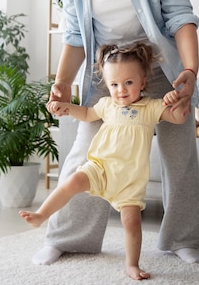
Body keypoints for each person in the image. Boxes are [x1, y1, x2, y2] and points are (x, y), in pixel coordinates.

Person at [28, 0, 199, 267]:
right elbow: (76, 34)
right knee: (84, 152)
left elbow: (181, 17)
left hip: (157, 61)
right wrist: (61, 84)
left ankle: (184, 237)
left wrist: (192, 71)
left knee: (179, 150)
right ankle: (68, 237)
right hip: (106, 66)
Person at [21, 42, 187, 280]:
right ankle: (40, 215)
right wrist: (66, 108)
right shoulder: (107, 105)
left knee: (131, 222)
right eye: (114, 84)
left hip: (129, 181)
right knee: (70, 182)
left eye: (128, 83)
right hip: (99, 168)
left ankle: (131, 264)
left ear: (143, 81)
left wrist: (176, 100)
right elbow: (88, 115)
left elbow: (179, 119)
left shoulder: (151, 107)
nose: (121, 90)